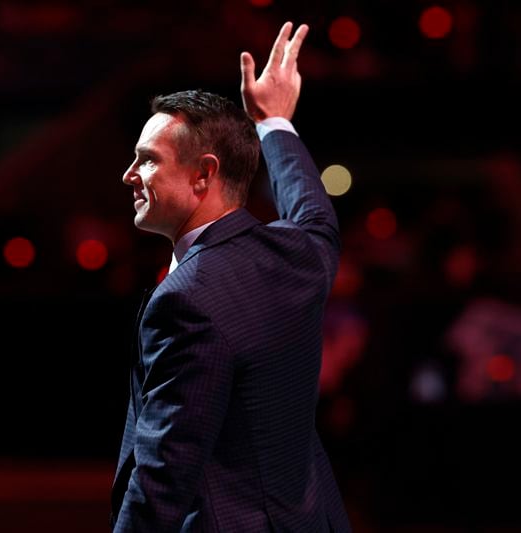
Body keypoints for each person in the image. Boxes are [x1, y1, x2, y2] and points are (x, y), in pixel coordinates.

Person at [110, 22, 351, 532]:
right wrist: (274, 122)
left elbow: (164, 473)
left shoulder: (186, 300)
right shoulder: (298, 254)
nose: (129, 174)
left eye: (147, 160)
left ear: (203, 174)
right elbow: (315, 214)